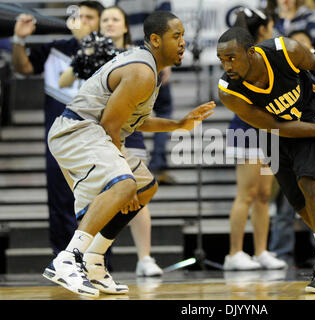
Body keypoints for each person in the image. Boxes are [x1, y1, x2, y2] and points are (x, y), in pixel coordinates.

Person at [42, 10, 215, 297]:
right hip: (77, 130)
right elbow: (110, 125)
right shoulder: (141, 71)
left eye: (183, 36)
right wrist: (122, 176)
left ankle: (94, 260)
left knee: (146, 186)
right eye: (177, 36)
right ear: (156, 40)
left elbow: (130, 120)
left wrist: (179, 124)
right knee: (125, 184)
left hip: (91, 131)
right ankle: (67, 259)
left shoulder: (149, 69)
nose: (183, 42)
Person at [217, 27, 315, 293]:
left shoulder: (284, 51)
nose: (226, 65)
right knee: (299, 203)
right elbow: (279, 127)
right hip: (276, 133)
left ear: (251, 51)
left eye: (232, 57)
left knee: (309, 182)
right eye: (221, 59)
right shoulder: (228, 91)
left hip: (312, 116)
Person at [59, 5, 163, 277]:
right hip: (93, 130)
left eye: (115, 19)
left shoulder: (140, 57)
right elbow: (63, 81)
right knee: (113, 193)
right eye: (105, 20)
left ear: (126, 26)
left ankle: (145, 257)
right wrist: (85, 49)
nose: (109, 24)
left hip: (128, 131)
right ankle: (90, 260)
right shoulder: (95, 51)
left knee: (139, 191)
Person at [11, 0, 105, 259]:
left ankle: (96, 262)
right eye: (79, 17)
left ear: (100, 22)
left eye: (90, 17)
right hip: (59, 139)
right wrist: (19, 40)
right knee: (60, 201)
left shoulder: (109, 54)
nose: (83, 22)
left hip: (97, 139)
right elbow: (24, 67)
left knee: (98, 202)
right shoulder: (56, 49)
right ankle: (62, 259)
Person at [223, 7, 287, 271]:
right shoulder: (242, 55)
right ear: (262, 29)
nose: (272, 31)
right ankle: (234, 253)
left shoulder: (267, 53)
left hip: (268, 129)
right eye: (270, 26)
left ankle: (261, 251)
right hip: (246, 129)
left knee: (263, 195)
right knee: (246, 194)